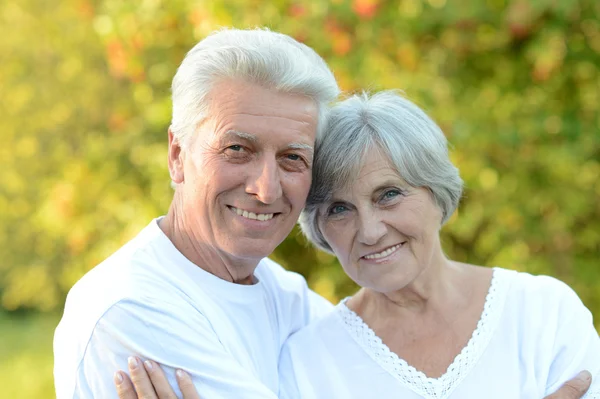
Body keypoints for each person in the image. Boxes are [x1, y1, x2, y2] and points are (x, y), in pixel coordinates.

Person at [115, 91, 599, 399]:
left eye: (388, 194)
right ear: (320, 228)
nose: (369, 230)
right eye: (339, 209)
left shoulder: (544, 313)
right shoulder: (306, 362)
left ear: (437, 192)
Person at [53, 28, 339, 398]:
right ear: (177, 156)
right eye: (237, 149)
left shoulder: (281, 292)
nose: (266, 189)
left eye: (293, 158)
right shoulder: (130, 309)